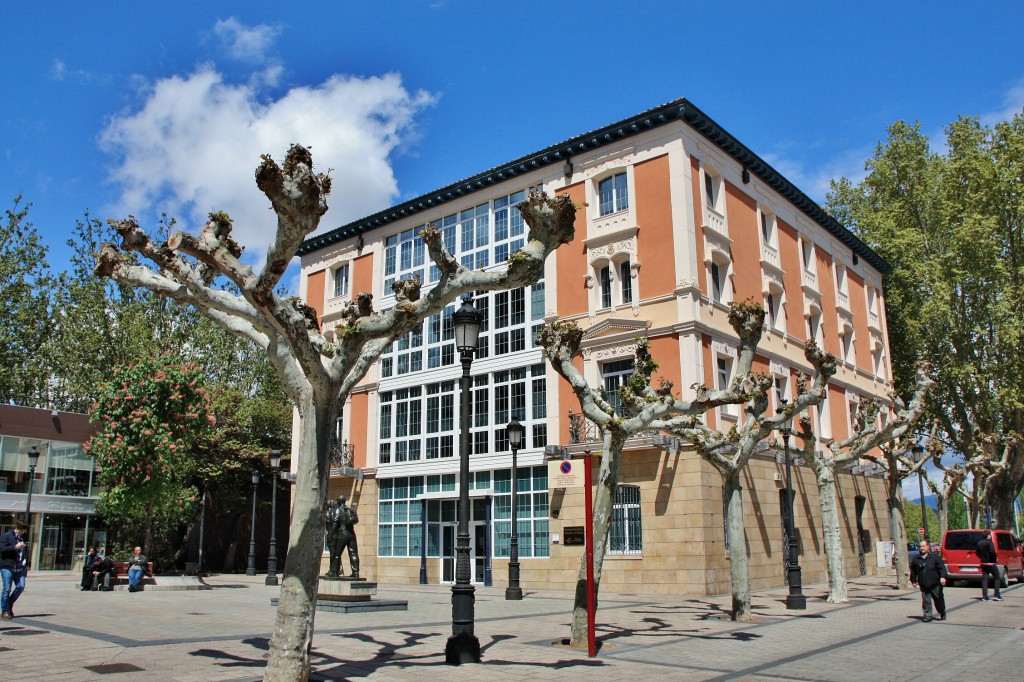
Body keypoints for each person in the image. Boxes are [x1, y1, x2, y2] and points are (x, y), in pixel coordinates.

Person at [909, 539, 947, 622]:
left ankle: (942, 611)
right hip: (924, 584)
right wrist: (913, 581)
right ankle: (927, 616)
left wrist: (943, 577)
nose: (922, 548)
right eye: (920, 546)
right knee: (926, 601)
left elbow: (941, 568)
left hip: (935, 583)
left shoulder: (935, 557)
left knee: (938, 600)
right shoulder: (916, 558)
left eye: (923, 546)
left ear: (928, 547)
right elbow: (913, 571)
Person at [325, 494, 360, 579]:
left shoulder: (338, 510)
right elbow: (356, 520)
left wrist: (331, 534)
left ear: (338, 501)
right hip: (351, 534)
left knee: (337, 554)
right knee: (354, 554)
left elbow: (335, 524)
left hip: (343, 533)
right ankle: (355, 573)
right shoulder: (352, 510)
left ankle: (334, 572)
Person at [1, 520, 29, 619]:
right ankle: (5, 611)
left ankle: (8, 604)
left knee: (21, 586)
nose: (23, 532)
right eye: (21, 530)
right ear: (17, 528)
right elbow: (2, 549)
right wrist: (15, 547)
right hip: (7, 566)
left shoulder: (22, 537)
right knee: (6, 589)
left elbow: (24, 552)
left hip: (19, 566)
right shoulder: (6, 536)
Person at [977, 530, 1002, 601]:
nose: (990, 536)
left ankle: (985, 596)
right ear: (988, 536)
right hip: (991, 563)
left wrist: (981, 558)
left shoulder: (979, 543)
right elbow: (992, 552)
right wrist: (994, 560)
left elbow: (977, 552)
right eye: (990, 535)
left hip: (983, 563)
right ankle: (997, 595)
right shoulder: (990, 543)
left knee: (985, 579)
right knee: (997, 577)